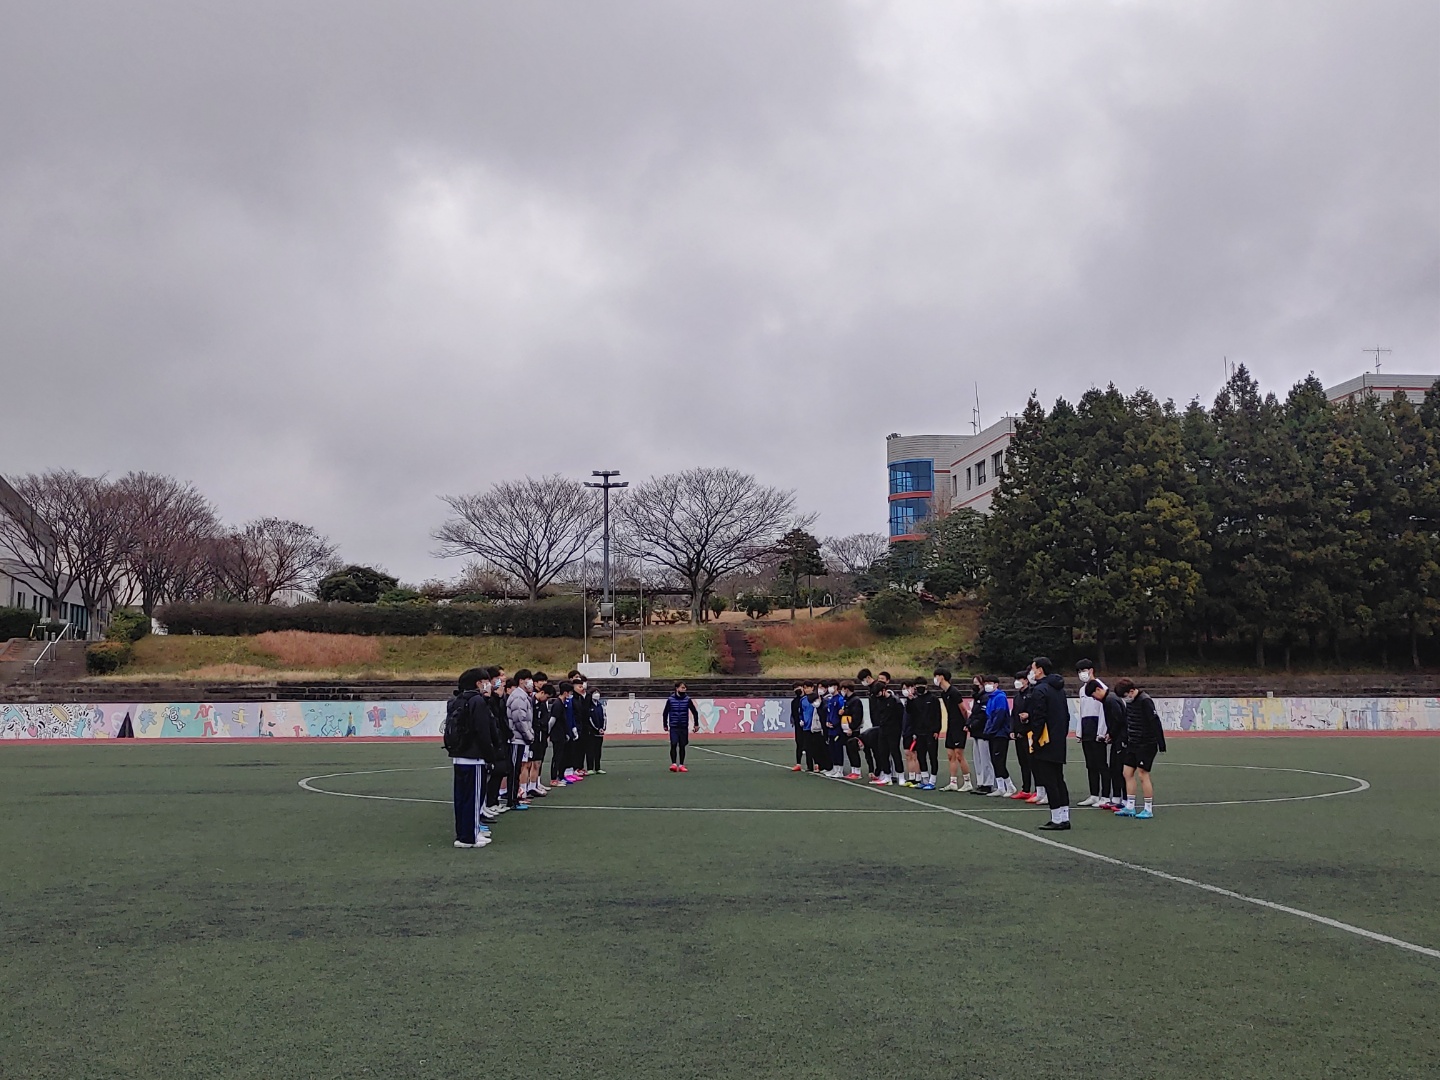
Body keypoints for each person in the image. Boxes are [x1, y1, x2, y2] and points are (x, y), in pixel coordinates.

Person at [445, 667, 496, 848]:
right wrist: (491, 755)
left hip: (459, 755)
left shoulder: (456, 701)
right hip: (474, 757)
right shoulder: (477, 701)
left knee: (462, 798)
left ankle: (463, 834)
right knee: (474, 799)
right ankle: (471, 835)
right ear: (479, 683)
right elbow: (483, 731)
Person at [1025, 657, 1071, 830]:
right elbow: (1065, 716)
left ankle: (1057, 818)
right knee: (1059, 779)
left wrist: (1035, 740)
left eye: (1033, 668)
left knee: (1049, 780)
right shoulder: (1059, 689)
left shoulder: (1040, 690)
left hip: (1045, 740)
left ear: (1040, 670)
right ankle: (1064, 816)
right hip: (1058, 740)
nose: (1031, 671)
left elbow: (1039, 718)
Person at [1113, 679, 1166, 819]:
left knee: (1143, 774)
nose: (1125, 699)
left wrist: (1161, 742)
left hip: (1146, 744)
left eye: (1125, 696)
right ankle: (1130, 806)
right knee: (1127, 772)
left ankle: (1148, 808)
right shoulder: (1129, 702)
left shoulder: (1145, 700)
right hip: (1133, 742)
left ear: (1131, 691)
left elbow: (1155, 721)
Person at [1085, 680, 1128, 810]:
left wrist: (1111, 734)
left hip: (1122, 739)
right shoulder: (1108, 700)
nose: (1095, 699)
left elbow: (1118, 720)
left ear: (1098, 689)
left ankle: (1126, 800)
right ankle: (1116, 799)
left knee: (1120, 770)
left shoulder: (1111, 700)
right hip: (1117, 739)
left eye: (1093, 696)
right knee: (1114, 768)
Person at [1074, 659, 1110, 808]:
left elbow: (1103, 711)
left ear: (1091, 670)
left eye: (1084, 670)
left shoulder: (1101, 687)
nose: (1082, 674)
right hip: (1086, 728)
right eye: (1079, 671)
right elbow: (1081, 711)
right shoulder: (1082, 690)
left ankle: (1106, 796)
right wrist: (1079, 731)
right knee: (1090, 764)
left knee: (1101, 764)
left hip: (1097, 728)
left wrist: (1101, 731)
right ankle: (1094, 794)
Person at [935, 669, 973, 793]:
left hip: (959, 726)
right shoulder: (944, 693)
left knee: (959, 754)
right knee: (950, 755)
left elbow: (963, 709)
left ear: (942, 677)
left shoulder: (954, 692)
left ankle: (968, 782)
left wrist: (966, 724)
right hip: (951, 726)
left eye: (937, 676)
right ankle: (953, 782)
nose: (935, 679)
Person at [504, 669, 534, 811]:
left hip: (520, 738)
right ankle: (511, 800)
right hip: (516, 738)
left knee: (516, 770)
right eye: (528, 679)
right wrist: (528, 735)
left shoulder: (523, 696)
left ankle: (514, 798)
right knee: (514, 770)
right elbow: (519, 718)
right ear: (521, 681)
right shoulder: (518, 697)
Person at [905, 678, 942, 790]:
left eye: (921, 685)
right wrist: (910, 700)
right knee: (921, 756)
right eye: (917, 686)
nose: (919, 687)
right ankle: (924, 779)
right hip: (919, 733)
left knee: (932, 756)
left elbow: (938, 715)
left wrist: (937, 730)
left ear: (926, 686)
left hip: (931, 732)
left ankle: (933, 780)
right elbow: (910, 712)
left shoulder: (933, 699)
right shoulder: (915, 700)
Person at [982, 676, 1016, 795]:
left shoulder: (1000, 697)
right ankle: (1000, 787)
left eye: (990, 683)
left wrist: (991, 731)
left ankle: (1010, 786)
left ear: (996, 684)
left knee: (999, 760)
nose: (987, 685)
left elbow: (999, 716)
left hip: (1000, 734)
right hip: (993, 733)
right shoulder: (990, 698)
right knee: (994, 760)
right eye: (986, 683)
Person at [1007, 671, 1037, 800]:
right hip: (1019, 734)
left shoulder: (1031, 694)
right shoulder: (1017, 696)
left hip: (1029, 733)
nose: (1018, 682)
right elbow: (1014, 714)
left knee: (1032, 762)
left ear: (1026, 680)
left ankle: (1038, 789)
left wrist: (1028, 716)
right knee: (1023, 762)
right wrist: (1012, 729)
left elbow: (1035, 711)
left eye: (1020, 679)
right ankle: (1026, 789)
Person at [964, 674, 995, 794]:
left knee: (985, 758)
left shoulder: (985, 697)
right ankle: (981, 782)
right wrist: (968, 723)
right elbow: (974, 713)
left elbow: (982, 716)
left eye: (977, 683)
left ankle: (988, 783)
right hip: (976, 732)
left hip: (983, 731)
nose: (974, 685)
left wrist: (972, 725)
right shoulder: (977, 697)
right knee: (977, 758)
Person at [664, 681, 701, 772]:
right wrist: (665, 724)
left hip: (683, 726)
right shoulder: (670, 699)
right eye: (682, 688)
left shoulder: (688, 699)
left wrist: (696, 724)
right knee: (673, 744)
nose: (684, 689)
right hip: (674, 726)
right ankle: (673, 764)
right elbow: (665, 713)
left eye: (684, 688)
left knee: (682, 745)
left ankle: (681, 765)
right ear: (677, 688)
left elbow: (694, 712)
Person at [840, 682, 867, 780]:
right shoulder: (846, 700)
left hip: (852, 729)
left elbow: (857, 716)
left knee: (853, 749)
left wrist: (852, 727)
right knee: (849, 750)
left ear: (846, 689)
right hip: (846, 728)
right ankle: (853, 770)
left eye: (843, 689)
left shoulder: (855, 701)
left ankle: (857, 771)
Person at [585, 688, 607, 773]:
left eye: (598, 692)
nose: (597, 694)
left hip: (600, 732)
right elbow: (589, 719)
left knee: (598, 750)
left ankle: (598, 767)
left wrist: (603, 728)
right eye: (595, 693)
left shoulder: (600, 705)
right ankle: (590, 768)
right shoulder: (589, 706)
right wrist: (596, 728)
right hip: (591, 731)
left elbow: (604, 717)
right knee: (590, 749)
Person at [789, 684, 808, 772]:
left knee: (810, 744)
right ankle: (798, 764)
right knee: (799, 743)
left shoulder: (807, 699)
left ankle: (814, 764)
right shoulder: (794, 701)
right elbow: (794, 713)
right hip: (798, 725)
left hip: (807, 725)